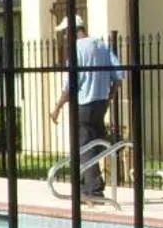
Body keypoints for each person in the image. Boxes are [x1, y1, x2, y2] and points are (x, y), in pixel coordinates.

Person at [48, 13, 124, 199]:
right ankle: (85, 185)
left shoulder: (75, 50)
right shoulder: (101, 45)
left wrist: (57, 107)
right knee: (95, 142)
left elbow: (70, 85)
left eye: (65, 33)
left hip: (83, 104)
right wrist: (108, 98)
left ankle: (93, 189)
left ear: (72, 31)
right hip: (100, 103)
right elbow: (118, 76)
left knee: (84, 146)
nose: (65, 37)